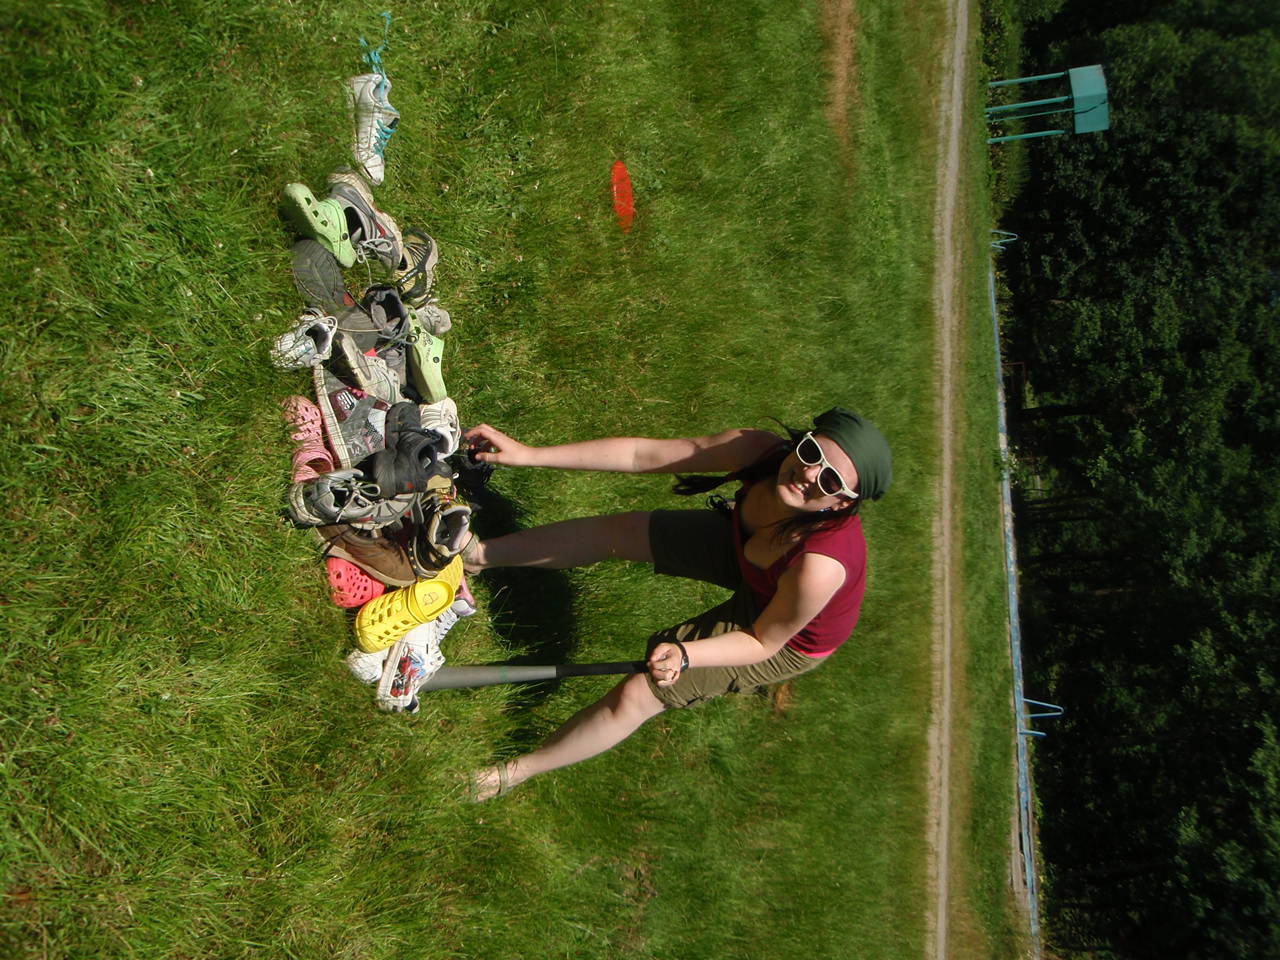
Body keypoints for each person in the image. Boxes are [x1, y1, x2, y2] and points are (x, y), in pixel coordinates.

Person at [460, 407, 892, 801]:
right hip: (748, 549)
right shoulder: (760, 452)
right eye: (812, 452)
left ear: (843, 502)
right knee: (622, 531)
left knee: (640, 692)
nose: (809, 474)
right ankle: (477, 556)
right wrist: (529, 455)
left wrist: (687, 654)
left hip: (782, 635)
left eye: (830, 481)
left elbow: (763, 641)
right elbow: (642, 455)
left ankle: (504, 776)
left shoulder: (821, 565)